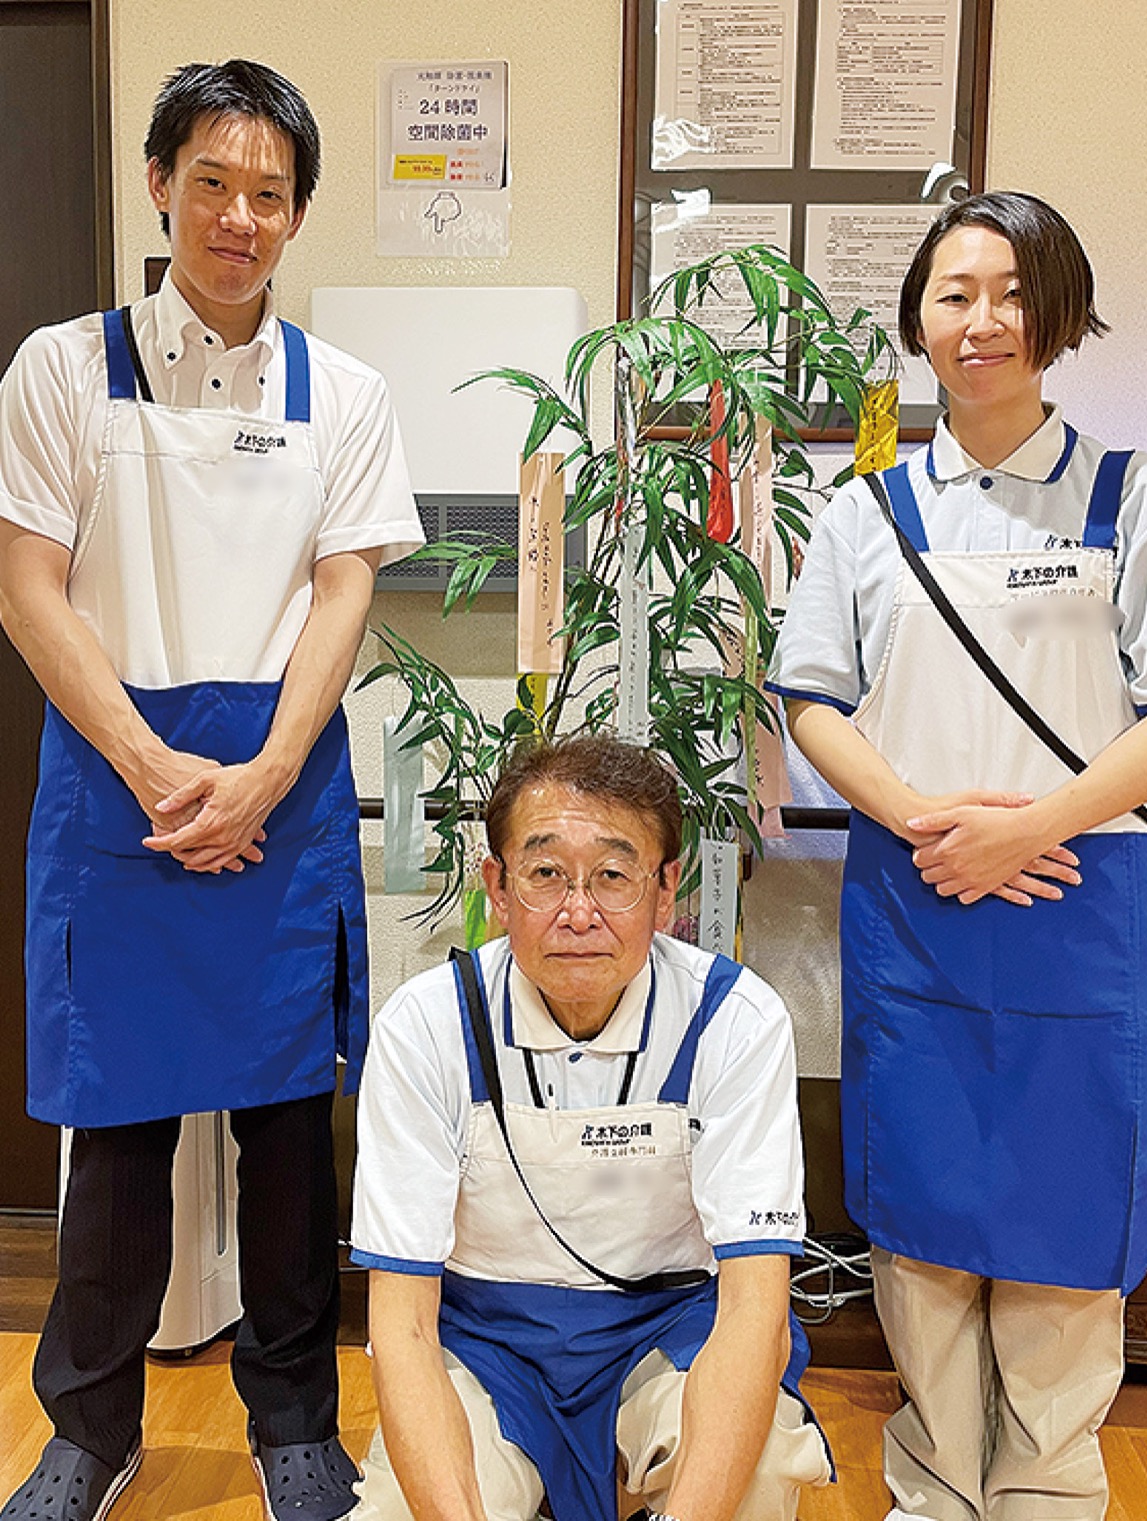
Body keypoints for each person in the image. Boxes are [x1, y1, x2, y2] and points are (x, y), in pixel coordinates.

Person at [0, 59, 422, 1521]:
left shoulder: (344, 393)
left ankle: (295, 1423)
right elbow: (28, 587)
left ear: (298, 213)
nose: (240, 216)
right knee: (113, 1130)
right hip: (116, 777)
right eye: (213, 183)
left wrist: (267, 774)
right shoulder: (63, 369)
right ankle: (88, 1431)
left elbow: (346, 589)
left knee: (289, 1130)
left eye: (269, 193)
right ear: (160, 185)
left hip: (280, 786)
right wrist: (152, 764)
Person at [767, 190, 1147, 1521]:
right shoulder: (865, 512)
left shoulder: (1139, 495)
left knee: (1074, 1201)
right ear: (919, 321)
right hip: (920, 895)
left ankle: (1050, 1487)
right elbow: (811, 703)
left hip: (1085, 896)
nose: (983, 319)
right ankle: (939, 1480)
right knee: (927, 1202)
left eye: (1012, 292)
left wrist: (1027, 829)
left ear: (1059, 315)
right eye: (954, 294)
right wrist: (923, 822)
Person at [349, 736, 832, 1521]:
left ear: (666, 889)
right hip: (485, 1345)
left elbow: (755, 1308)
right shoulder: (428, 1026)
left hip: (670, 1331)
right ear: (498, 888)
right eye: (545, 874)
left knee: (762, 1469)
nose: (579, 913)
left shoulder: (732, 1020)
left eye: (613, 875)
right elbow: (401, 1323)